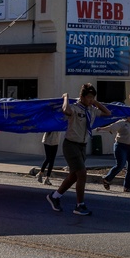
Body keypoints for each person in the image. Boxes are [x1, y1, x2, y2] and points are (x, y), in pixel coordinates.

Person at [47, 84, 111, 216]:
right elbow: (66, 111)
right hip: (71, 145)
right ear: (81, 97)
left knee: (73, 176)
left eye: (92, 97)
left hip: (82, 146)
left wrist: (95, 102)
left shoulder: (92, 110)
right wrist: (66, 97)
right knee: (82, 173)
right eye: (88, 97)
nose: (90, 100)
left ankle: (55, 196)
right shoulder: (75, 108)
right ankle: (79, 205)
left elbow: (107, 113)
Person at [100, 116, 130, 193]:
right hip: (121, 146)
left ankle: (127, 187)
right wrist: (100, 128)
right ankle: (107, 179)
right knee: (120, 165)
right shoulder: (121, 123)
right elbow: (111, 128)